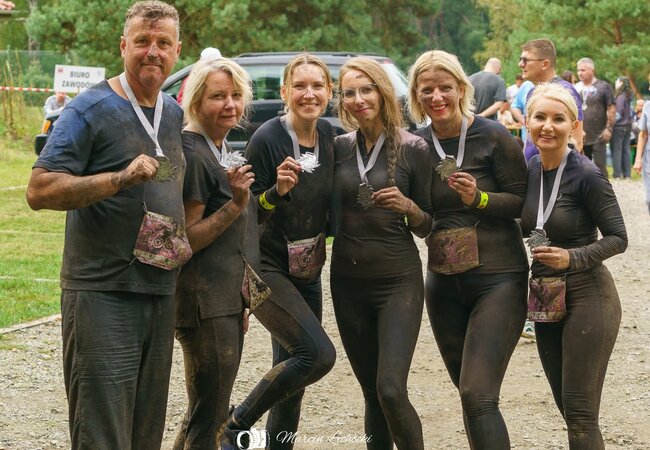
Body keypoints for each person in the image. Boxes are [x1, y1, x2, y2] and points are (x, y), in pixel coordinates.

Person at [25, 1, 184, 449]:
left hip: (159, 290)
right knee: (103, 434)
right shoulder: (88, 108)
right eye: (142, 41)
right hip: (103, 293)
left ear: (177, 51)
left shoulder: (173, 112)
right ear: (123, 46)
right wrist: (118, 179)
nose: (152, 52)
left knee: (145, 432)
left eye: (163, 43)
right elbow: (39, 190)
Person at [172, 56, 298, 450]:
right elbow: (185, 240)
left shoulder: (219, 147)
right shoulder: (194, 153)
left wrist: (271, 194)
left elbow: (239, 230)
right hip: (204, 305)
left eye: (235, 95)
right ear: (195, 102)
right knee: (209, 418)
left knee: (204, 412)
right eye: (217, 97)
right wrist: (235, 204)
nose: (230, 104)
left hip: (223, 300)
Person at [408, 50, 529, 449]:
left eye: (445, 87)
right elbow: (421, 217)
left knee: (478, 393)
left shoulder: (493, 136)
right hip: (443, 283)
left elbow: (521, 202)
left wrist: (479, 199)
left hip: (499, 279)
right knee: (469, 393)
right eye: (427, 89)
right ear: (416, 94)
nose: (437, 96)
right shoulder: (413, 143)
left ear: (462, 88)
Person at [222, 53, 337, 450]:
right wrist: (276, 192)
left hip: (308, 271)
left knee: (292, 375)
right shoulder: (267, 138)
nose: (309, 94)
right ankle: (235, 425)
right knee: (316, 355)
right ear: (285, 92)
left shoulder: (329, 136)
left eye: (317, 86)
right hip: (267, 268)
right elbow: (246, 213)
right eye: (300, 86)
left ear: (329, 92)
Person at [331, 57, 432, 449]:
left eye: (366, 90)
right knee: (372, 393)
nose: (358, 100)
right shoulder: (338, 147)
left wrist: (410, 208)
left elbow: (429, 226)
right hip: (347, 283)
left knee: (390, 388)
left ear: (383, 92)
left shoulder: (414, 148)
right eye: (349, 93)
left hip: (397, 283)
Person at [520, 83, 627, 449]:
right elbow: (527, 221)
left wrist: (573, 257)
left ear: (574, 125)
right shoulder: (531, 168)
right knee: (569, 409)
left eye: (558, 119)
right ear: (527, 122)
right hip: (545, 295)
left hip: (588, 295)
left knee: (581, 414)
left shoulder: (587, 174)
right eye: (540, 117)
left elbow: (618, 238)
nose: (548, 126)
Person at [513, 38, 584, 162]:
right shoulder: (532, 92)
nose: (520, 64)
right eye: (520, 59)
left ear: (545, 64)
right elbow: (529, 139)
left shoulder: (565, 91)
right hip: (533, 169)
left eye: (525, 60)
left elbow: (577, 141)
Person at [575, 57, 615, 178]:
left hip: (599, 134)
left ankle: (603, 189)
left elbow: (611, 108)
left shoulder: (603, 86)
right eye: (578, 70)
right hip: (581, 134)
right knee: (582, 167)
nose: (580, 73)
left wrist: (609, 128)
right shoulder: (575, 88)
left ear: (592, 70)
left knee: (600, 166)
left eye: (583, 70)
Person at [611, 76, 633, 179]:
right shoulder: (629, 96)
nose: (615, 83)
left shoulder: (620, 97)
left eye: (617, 81)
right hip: (628, 126)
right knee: (626, 149)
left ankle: (617, 174)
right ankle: (627, 174)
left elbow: (618, 114)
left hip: (619, 126)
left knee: (617, 150)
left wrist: (610, 124)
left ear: (621, 83)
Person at [633, 97, 650, 214]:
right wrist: (638, 159)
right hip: (648, 159)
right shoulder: (647, 106)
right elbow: (643, 135)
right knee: (649, 200)